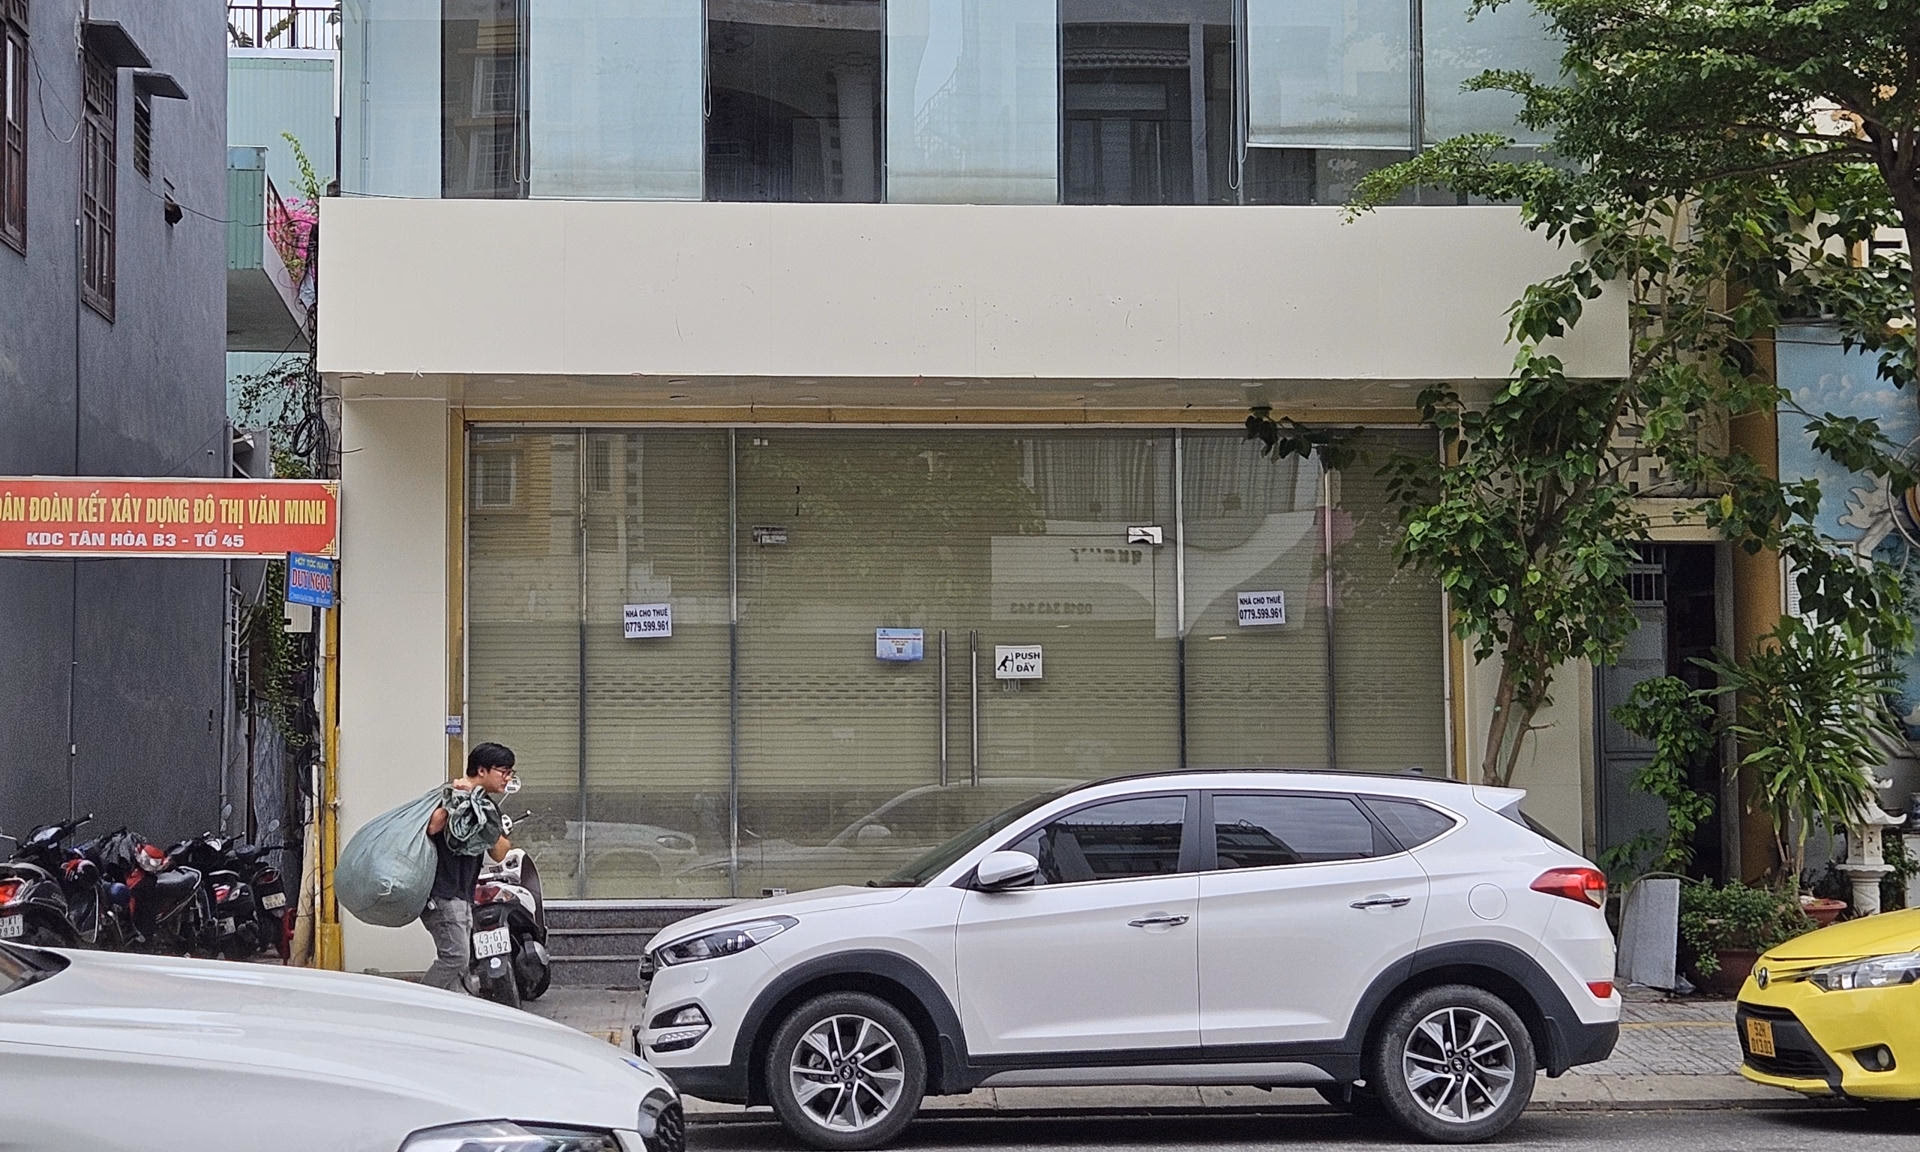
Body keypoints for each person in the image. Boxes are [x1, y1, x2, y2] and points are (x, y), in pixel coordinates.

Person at [419, 742, 515, 993]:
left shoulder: (487, 806)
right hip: (441, 894)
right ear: (482, 770)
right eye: (503, 771)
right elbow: (432, 827)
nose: (507, 778)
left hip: (462, 895)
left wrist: (483, 813)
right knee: (455, 958)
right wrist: (458, 798)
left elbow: (499, 852)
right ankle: (415, 1004)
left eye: (510, 772)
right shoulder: (449, 794)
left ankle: (450, 1012)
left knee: (462, 967)